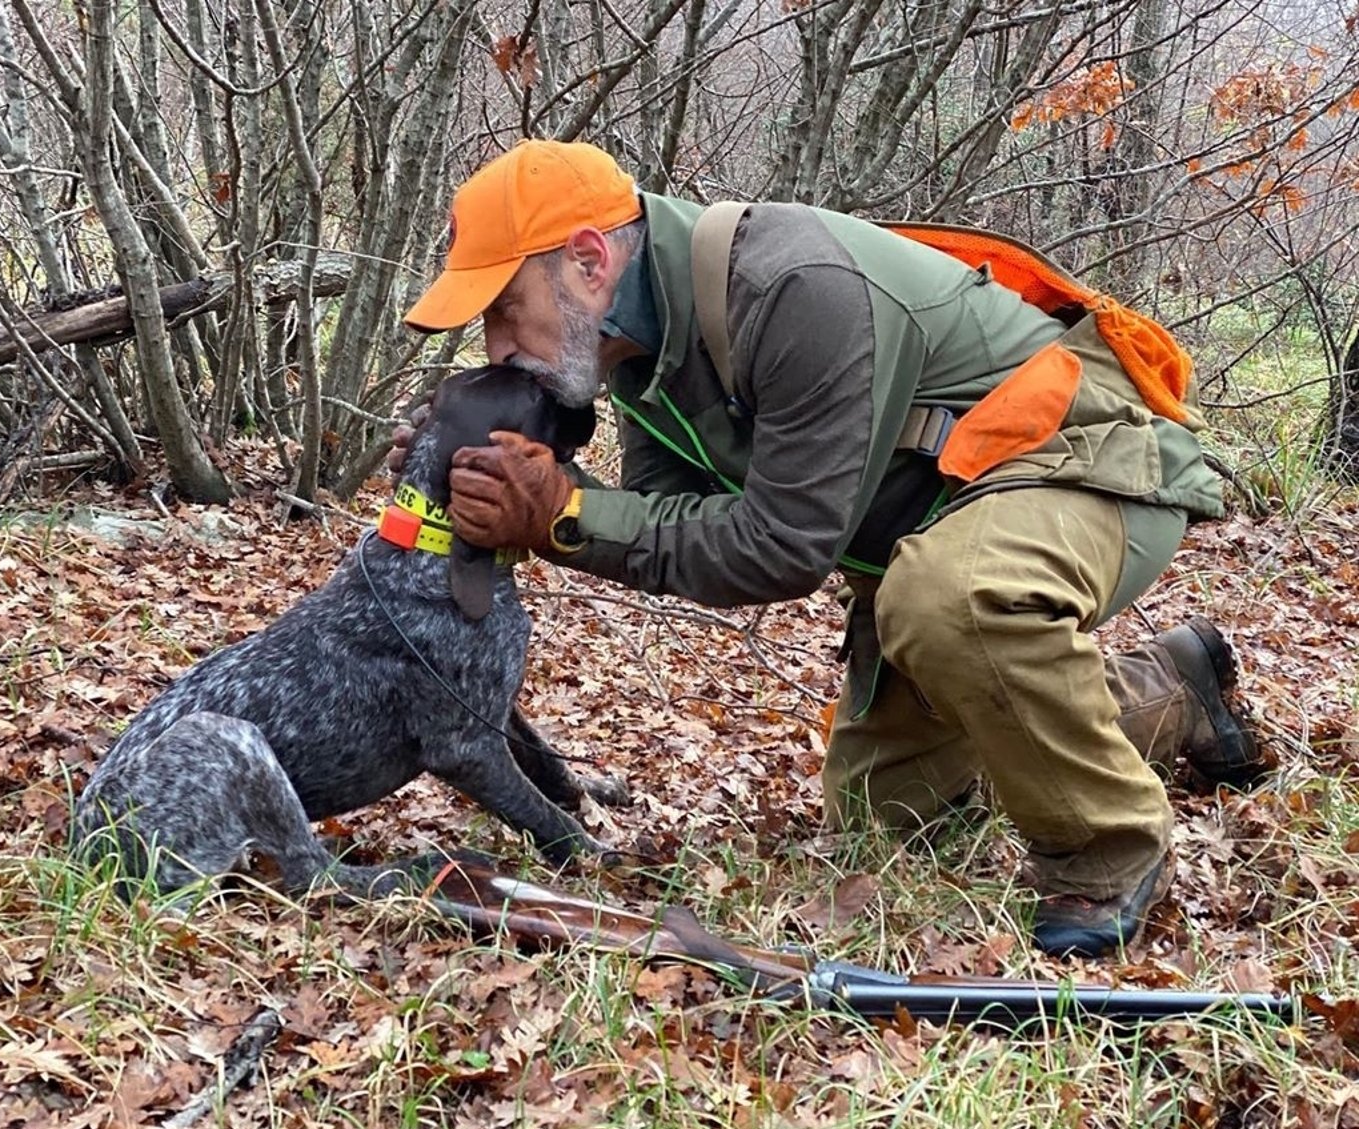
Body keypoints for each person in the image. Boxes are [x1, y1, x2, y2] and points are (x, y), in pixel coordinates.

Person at [394, 139, 1267, 958]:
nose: (498, 348)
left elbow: (780, 548)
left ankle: (1105, 844)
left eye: (506, 312)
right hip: (942, 526)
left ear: (589, 262)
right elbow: (668, 520)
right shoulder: (637, 349)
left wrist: (559, 510)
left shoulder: (792, 286)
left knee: (953, 599)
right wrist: (508, 472)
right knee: (888, 819)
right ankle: (1174, 690)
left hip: (1093, 470)